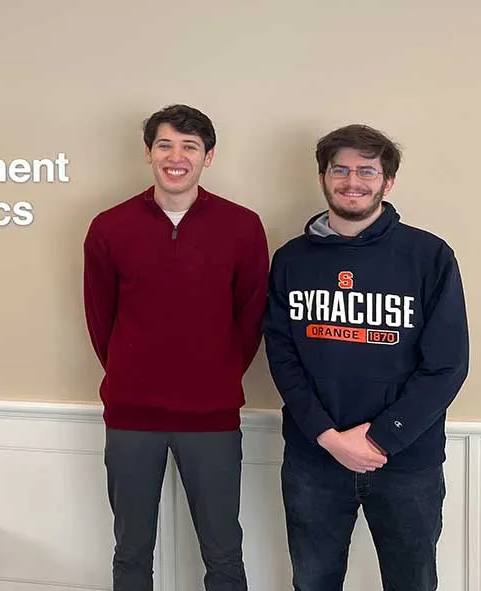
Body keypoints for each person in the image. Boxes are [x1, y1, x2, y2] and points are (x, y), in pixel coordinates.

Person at [264, 124, 469, 590]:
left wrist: (380, 438)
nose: (351, 180)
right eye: (340, 169)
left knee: (412, 582)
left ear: (387, 182)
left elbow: (447, 364)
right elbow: (282, 356)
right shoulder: (291, 260)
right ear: (322, 177)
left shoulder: (430, 256)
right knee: (313, 581)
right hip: (314, 458)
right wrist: (328, 436)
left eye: (366, 170)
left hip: (406, 462)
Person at [83, 104, 268, 590]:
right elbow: (100, 319)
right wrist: (132, 370)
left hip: (212, 417)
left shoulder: (243, 226)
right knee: (131, 552)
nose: (176, 156)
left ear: (208, 157)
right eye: (165, 145)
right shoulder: (109, 226)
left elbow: (250, 319)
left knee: (224, 552)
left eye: (190, 146)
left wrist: (218, 373)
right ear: (148, 153)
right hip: (131, 416)